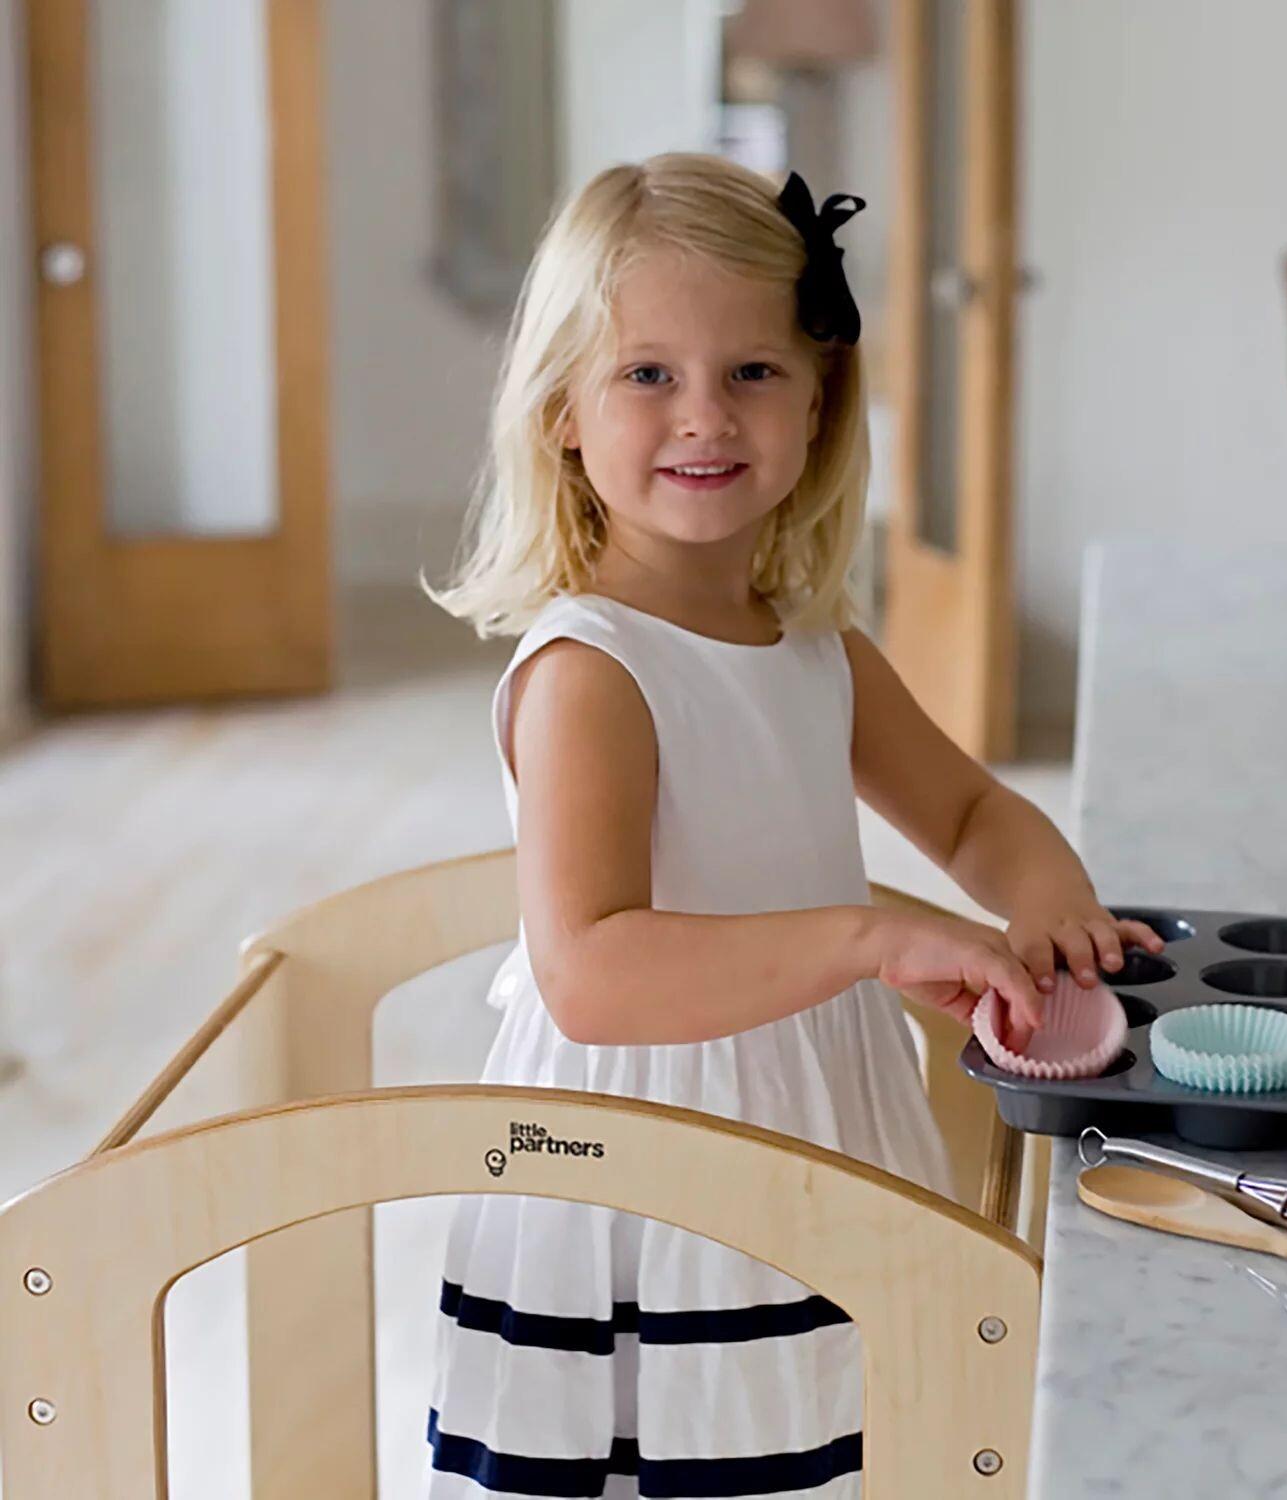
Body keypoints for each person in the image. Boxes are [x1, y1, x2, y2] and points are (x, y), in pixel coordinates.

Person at [422, 152, 1163, 1498]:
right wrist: (871, 937)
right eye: (649, 374)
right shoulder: (591, 671)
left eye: (752, 370)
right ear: (564, 413)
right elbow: (592, 975)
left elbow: (969, 808)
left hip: (818, 1098)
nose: (704, 416)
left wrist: (1051, 897)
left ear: (820, 402)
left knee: (825, 1441)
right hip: (655, 1149)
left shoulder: (812, 644)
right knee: (688, 1442)